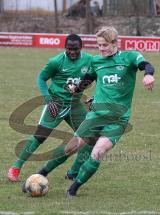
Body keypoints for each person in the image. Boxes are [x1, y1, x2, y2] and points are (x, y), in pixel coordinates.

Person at [32, 26, 155, 197]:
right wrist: (75, 88)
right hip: (95, 116)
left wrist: (148, 75)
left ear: (114, 43)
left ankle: (73, 189)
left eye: (105, 45)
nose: (101, 49)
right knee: (71, 148)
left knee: (98, 152)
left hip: (118, 120)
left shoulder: (129, 57)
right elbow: (87, 81)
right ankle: (41, 174)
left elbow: (146, 65)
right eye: (99, 45)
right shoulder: (97, 62)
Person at [8, 34, 93, 182]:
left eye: (76, 49)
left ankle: (73, 172)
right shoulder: (56, 62)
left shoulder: (89, 60)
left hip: (75, 106)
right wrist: (49, 100)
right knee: (40, 136)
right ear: (64, 47)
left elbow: (95, 76)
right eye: (69, 49)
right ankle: (16, 167)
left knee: (90, 137)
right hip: (56, 104)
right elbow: (41, 78)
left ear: (81, 48)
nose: (72, 52)